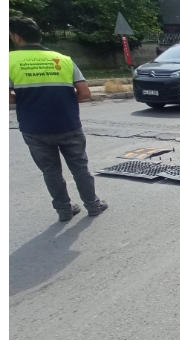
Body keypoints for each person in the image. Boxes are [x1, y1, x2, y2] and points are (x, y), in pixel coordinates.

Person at [9, 17, 108, 221]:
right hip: (68, 123)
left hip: (34, 128)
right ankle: (93, 205)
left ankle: (64, 210)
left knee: (50, 171)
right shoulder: (63, 59)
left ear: (16, 37)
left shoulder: (9, 61)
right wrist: (64, 101)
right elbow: (84, 92)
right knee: (80, 167)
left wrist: (25, 98)